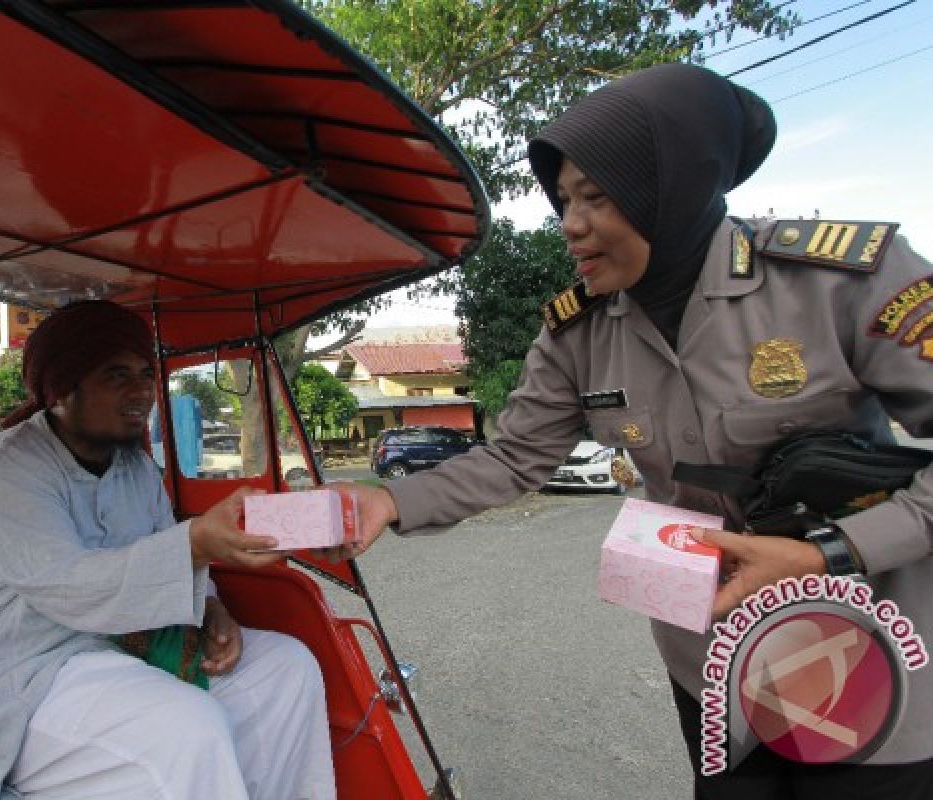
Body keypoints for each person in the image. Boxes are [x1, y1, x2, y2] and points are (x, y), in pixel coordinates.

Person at [338, 63, 933, 797]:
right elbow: (514, 458)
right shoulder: (578, 333)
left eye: (597, 195)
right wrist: (388, 502)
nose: (570, 223)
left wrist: (830, 551)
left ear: (672, 186)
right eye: (562, 200)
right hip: (712, 656)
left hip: (866, 643)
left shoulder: (841, 280)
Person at [0, 300, 336, 800]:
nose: (142, 392)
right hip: (17, 671)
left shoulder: (135, 469)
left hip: (125, 648)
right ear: (62, 389)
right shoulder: (6, 469)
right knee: (184, 726)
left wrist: (211, 606)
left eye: (146, 374)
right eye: (116, 375)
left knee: (287, 667)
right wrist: (194, 544)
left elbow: (164, 548)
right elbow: (69, 586)